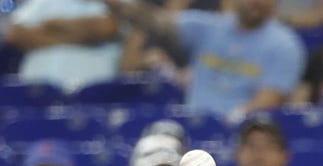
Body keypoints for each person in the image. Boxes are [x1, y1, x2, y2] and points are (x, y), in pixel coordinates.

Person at [104, 0, 307, 119]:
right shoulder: (211, 27)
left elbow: (268, 100)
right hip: (192, 123)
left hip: (240, 131)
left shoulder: (285, 44)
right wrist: (119, 4)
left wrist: (227, 122)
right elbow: (157, 23)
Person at [5, 0, 123, 91]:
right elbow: (15, 34)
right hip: (35, 92)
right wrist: (82, 36)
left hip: (92, 93)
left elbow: (106, 29)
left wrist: (51, 26)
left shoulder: (110, 3)